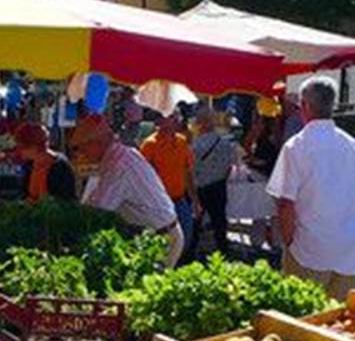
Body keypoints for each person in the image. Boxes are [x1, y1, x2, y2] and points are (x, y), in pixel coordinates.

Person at [266, 77, 355, 297]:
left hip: (308, 249)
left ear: (304, 106)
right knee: (337, 324)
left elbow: (286, 203)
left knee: (302, 319)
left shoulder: (296, 146)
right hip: (347, 250)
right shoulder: (353, 146)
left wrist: (288, 241)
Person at [68, 113, 182, 266]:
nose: (81, 153)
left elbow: (99, 211)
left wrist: (70, 224)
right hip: (155, 234)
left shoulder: (119, 165)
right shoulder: (119, 156)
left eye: (82, 148)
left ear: (98, 143)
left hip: (162, 238)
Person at [141, 114, 197, 258]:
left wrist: (195, 201)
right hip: (159, 203)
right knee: (164, 242)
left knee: (185, 237)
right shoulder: (149, 145)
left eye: (172, 118)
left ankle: (179, 267)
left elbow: (188, 173)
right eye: (165, 118)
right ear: (158, 121)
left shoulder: (182, 142)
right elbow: (143, 178)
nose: (169, 122)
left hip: (179, 199)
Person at [191, 106, 238, 257]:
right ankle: (223, 250)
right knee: (219, 220)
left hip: (199, 187)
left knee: (196, 221)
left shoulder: (194, 145)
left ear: (201, 123)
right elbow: (230, 166)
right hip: (218, 185)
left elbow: (190, 169)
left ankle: (190, 250)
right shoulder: (225, 143)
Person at [13, 122, 78, 202]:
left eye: (22, 147)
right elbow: (24, 194)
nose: (20, 151)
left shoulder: (61, 167)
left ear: (34, 147)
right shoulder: (29, 165)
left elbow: (67, 199)